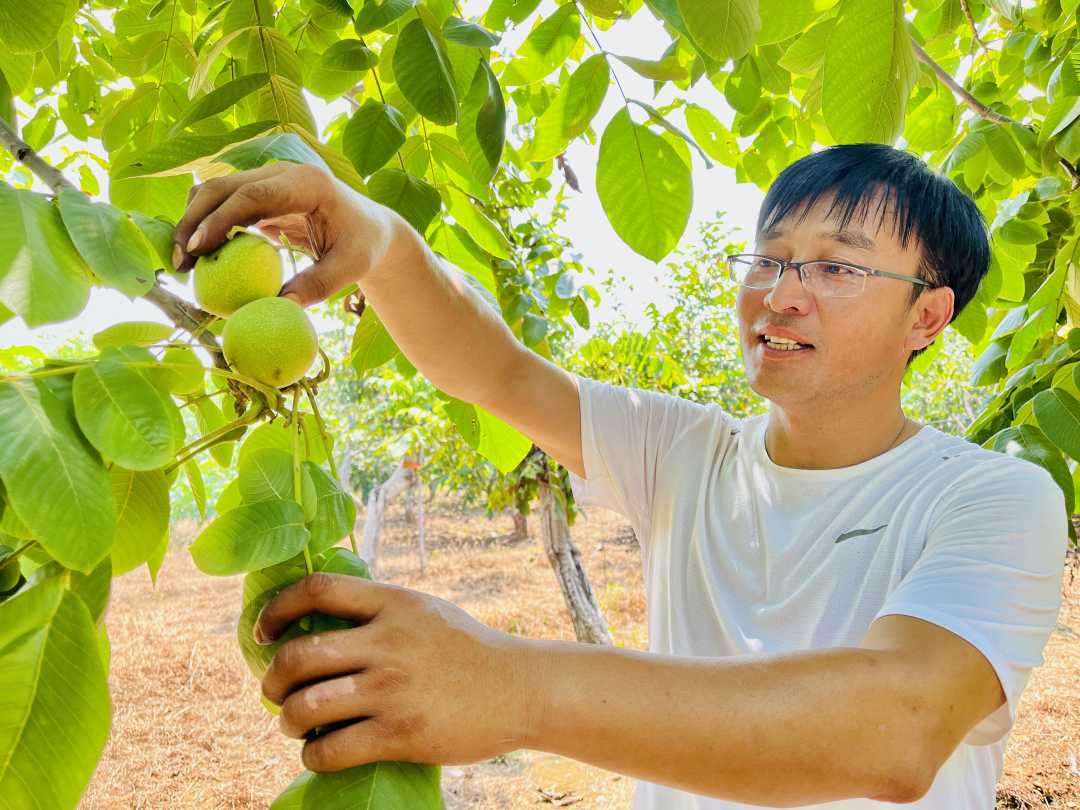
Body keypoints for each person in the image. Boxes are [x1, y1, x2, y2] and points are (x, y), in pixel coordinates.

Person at [171, 143, 1068, 809]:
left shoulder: (992, 497)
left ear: (929, 317)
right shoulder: (689, 452)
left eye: (835, 265)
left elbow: (898, 727)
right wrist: (381, 242)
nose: (781, 294)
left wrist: (508, 685)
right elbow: (499, 372)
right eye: (769, 257)